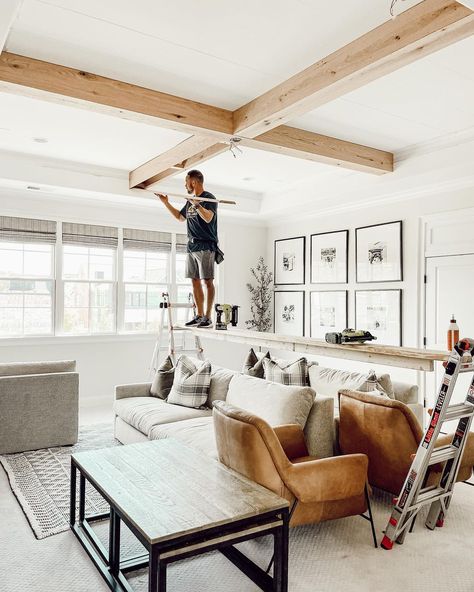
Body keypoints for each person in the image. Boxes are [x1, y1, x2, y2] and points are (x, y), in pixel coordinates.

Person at [156, 169, 218, 328]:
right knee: (194, 281)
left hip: (205, 245)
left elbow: (208, 217)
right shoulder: (189, 201)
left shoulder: (209, 198)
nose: (185, 185)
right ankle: (199, 315)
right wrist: (166, 203)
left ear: (194, 182)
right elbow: (179, 217)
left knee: (208, 281)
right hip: (192, 246)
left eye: (186, 182)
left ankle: (208, 317)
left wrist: (196, 204)